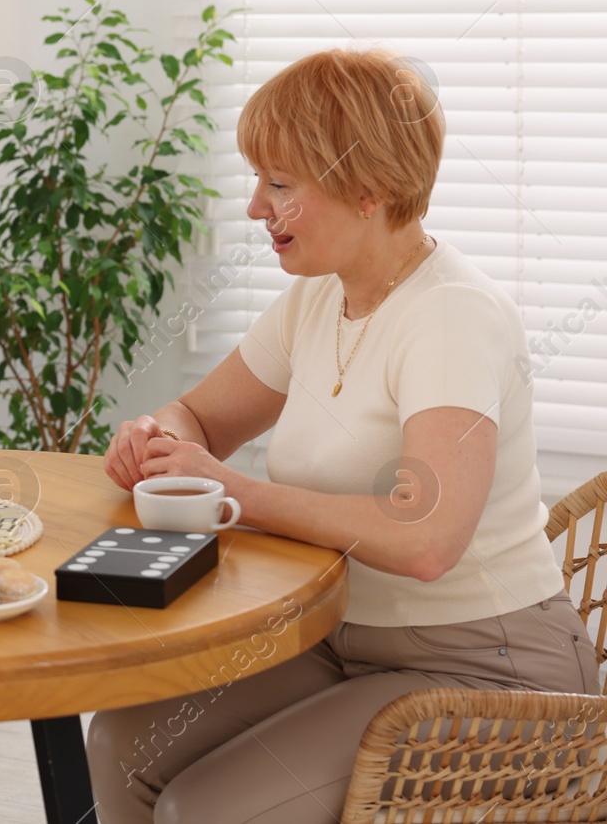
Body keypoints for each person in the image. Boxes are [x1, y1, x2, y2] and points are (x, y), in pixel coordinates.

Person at [85, 49, 601, 823]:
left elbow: (425, 538)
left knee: (205, 809)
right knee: (123, 741)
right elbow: (204, 418)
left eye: (281, 184)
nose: (257, 206)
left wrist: (239, 493)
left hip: (486, 667)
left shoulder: (451, 317)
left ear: (371, 190)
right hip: (343, 642)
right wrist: (158, 436)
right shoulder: (318, 300)